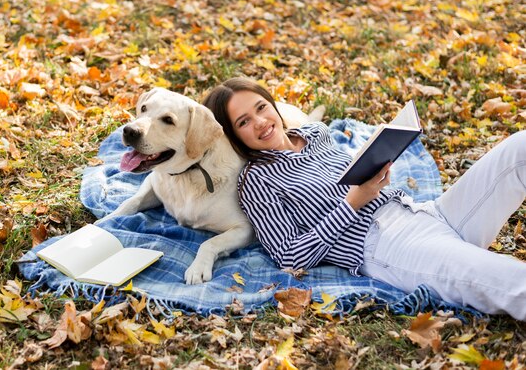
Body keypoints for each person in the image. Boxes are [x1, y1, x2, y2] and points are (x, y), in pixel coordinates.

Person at [203, 77, 526, 320]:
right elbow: (289, 256)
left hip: (425, 213)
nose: (260, 122)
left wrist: (375, 162)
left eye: (261, 107)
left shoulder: (316, 134)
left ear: (272, 104)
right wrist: (351, 204)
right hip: (389, 247)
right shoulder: (257, 181)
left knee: (519, 149)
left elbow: (348, 178)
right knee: (511, 280)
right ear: (234, 136)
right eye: (243, 122)